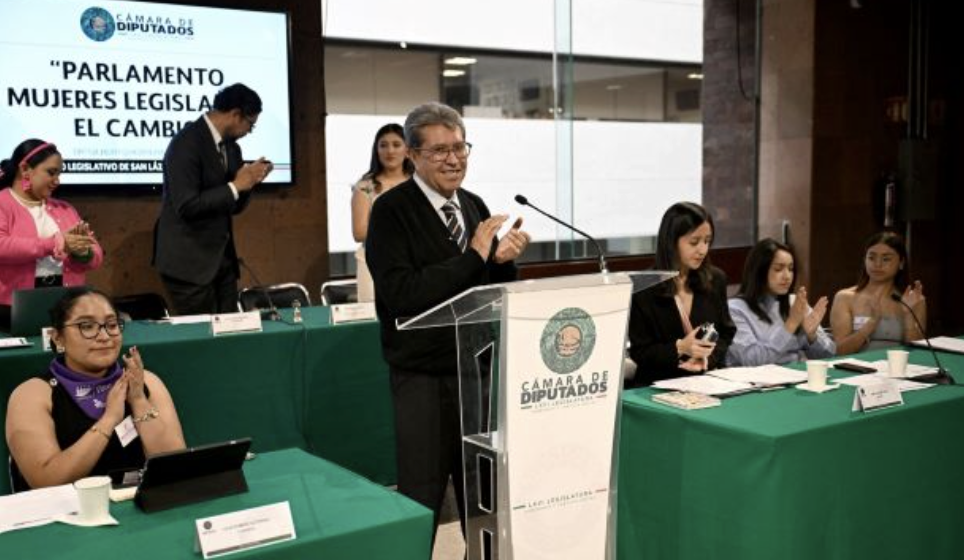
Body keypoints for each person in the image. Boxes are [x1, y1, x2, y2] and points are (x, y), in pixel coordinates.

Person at [366, 102, 530, 541]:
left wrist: (501, 262)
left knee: (483, 494)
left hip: (476, 371)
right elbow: (402, 294)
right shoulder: (391, 211)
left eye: (460, 147)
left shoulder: (473, 205)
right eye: (439, 151)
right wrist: (474, 257)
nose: (454, 159)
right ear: (413, 156)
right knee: (423, 495)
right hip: (422, 376)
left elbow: (482, 284)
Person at [5, 287, 185, 491]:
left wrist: (139, 401)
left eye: (111, 324)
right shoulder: (33, 394)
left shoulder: (145, 382)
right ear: (58, 338)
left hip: (139, 506)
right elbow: (46, 481)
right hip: (67, 514)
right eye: (87, 326)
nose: (104, 336)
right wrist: (109, 420)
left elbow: (175, 466)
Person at [152, 83, 274, 315]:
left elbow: (233, 204)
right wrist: (236, 185)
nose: (250, 131)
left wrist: (250, 182)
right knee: (201, 340)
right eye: (250, 124)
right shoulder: (185, 143)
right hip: (189, 265)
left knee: (228, 336)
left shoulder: (232, 149)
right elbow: (187, 205)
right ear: (235, 114)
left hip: (222, 262)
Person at [627, 202, 735, 386]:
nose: (702, 250)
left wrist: (707, 358)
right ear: (671, 242)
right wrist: (680, 347)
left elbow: (725, 331)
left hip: (706, 382)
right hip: (657, 386)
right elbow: (640, 352)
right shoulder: (643, 287)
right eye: (694, 242)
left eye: (707, 241)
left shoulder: (715, 279)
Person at [0, 139, 103, 330]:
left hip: (66, 311)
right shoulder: (3, 203)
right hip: (9, 314)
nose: (57, 181)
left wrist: (82, 252)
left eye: (59, 174)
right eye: (51, 172)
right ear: (25, 170)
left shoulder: (65, 209)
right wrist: (57, 243)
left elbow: (95, 256)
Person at [727, 238, 835, 366]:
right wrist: (791, 324)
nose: (787, 276)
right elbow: (752, 361)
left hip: (796, 379)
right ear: (759, 271)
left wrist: (812, 337)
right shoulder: (735, 309)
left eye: (790, 269)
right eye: (778, 269)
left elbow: (830, 356)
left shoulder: (794, 302)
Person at [830, 231, 925, 354]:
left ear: (901, 263)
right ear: (865, 260)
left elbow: (918, 353)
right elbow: (840, 351)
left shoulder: (914, 300)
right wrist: (871, 323)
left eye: (886, 259)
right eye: (871, 258)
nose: (877, 264)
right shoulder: (844, 297)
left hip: (898, 368)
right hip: (857, 368)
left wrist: (908, 316)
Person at [351, 123, 414, 302]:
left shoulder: (419, 184)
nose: (390, 151)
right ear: (376, 150)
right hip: (373, 264)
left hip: (413, 264)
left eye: (396, 144)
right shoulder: (365, 186)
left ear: (407, 149)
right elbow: (359, 232)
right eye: (383, 145)